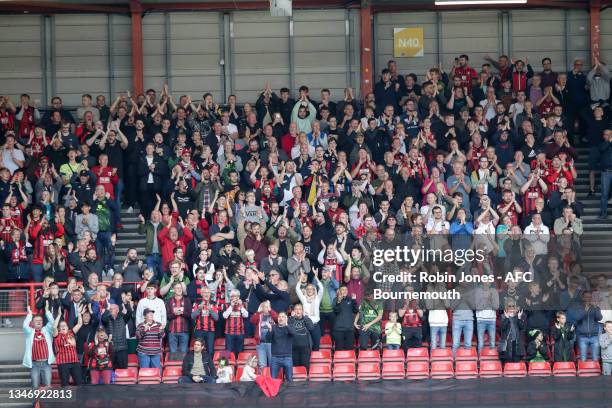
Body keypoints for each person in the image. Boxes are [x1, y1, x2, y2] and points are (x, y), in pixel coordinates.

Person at [23, 305, 55, 388]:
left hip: (46, 363)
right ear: (32, 323)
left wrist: (47, 311)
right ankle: (36, 401)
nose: (39, 321)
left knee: (47, 385)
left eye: (40, 320)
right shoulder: (29, 332)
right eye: (36, 320)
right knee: (35, 386)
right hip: (34, 364)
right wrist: (29, 314)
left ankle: (47, 401)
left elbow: (52, 322)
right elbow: (25, 326)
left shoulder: (47, 330)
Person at [266, 311, 295, 381]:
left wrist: (287, 325)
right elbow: (267, 339)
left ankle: (290, 392)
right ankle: (274, 392)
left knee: (289, 379)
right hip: (275, 358)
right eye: (279, 317)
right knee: (273, 379)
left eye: (283, 317)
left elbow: (293, 333)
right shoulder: (273, 327)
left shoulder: (289, 327)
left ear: (286, 319)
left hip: (287, 357)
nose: (281, 318)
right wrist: (270, 330)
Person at [575, 291, 603, 361]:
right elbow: (577, 318)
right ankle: (584, 371)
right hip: (582, 337)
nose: (588, 299)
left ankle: (595, 371)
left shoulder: (595, 307)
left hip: (594, 336)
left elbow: (599, 318)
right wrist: (585, 311)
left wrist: (596, 308)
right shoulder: (578, 307)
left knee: (595, 358)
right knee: (583, 359)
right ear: (583, 298)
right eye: (586, 297)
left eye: (590, 297)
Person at [333, 285, 358, 350]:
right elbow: (336, 311)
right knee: (339, 349)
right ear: (339, 291)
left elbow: (356, 311)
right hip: (339, 330)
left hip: (349, 329)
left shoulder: (351, 299)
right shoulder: (335, 299)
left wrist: (354, 300)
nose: (344, 291)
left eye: (346, 290)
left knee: (349, 349)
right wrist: (338, 302)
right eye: (342, 289)